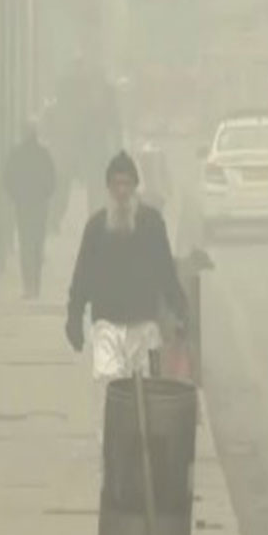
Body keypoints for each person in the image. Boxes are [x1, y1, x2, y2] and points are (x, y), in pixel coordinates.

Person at [64, 150, 189, 383]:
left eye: (127, 184)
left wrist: (180, 310)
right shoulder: (96, 227)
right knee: (111, 390)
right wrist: (74, 317)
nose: (121, 191)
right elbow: (82, 276)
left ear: (134, 187)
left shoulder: (151, 224)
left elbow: (165, 272)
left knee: (147, 393)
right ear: (109, 188)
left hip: (145, 325)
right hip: (106, 326)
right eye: (116, 184)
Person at [3, 123, 58, 299]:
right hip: (39, 205)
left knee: (26, 243)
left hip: (23, 205)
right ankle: (36, 285)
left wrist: (16, 195)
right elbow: (52, 178)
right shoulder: (43, 154)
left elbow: (7, 177)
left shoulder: (16, 154)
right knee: (37, 244)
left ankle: (28, 285)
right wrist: (45, 194)